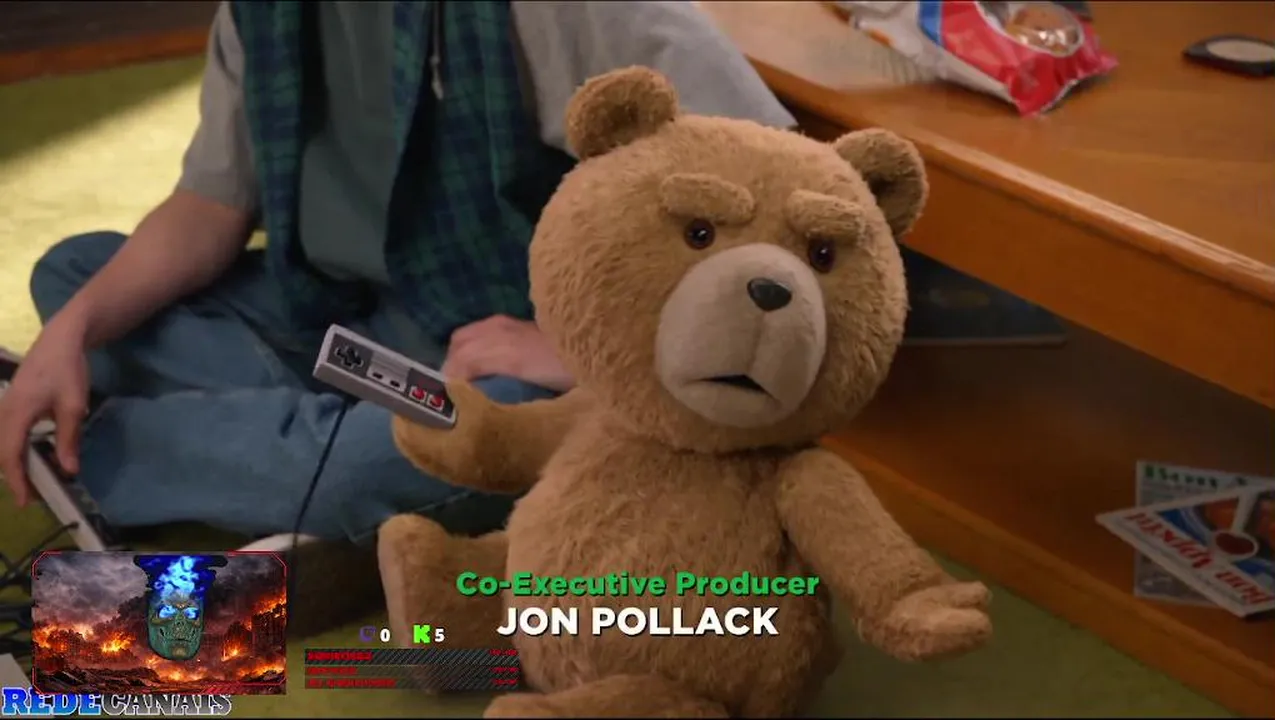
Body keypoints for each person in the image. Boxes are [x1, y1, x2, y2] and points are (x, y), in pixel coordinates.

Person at [0, 2, 795, 548]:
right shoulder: (257, 12)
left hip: (505, 362)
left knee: (363, 470)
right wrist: (72, 331)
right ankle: (297, 458)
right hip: (342, 319)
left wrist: (576, 352)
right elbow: (211, 205)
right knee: (77, 276)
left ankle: (112, 453)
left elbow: (776, 178)